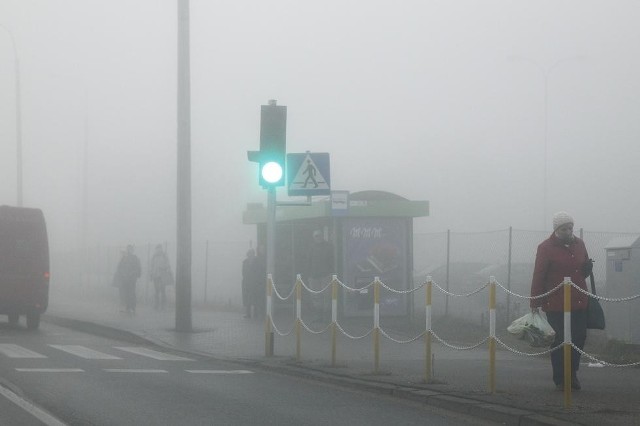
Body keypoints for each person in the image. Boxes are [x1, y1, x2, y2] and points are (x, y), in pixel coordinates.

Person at [530, 211, 592, 391]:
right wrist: (535, 302)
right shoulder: (545, 248)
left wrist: (587, 268)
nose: (568, 231)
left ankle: (572, 372)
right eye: (564, 228)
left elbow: (583, 268)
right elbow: (539, 275)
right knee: (559, 340)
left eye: (570, 227)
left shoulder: (580, 244)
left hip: (579, 301)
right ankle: (560, 377)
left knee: (579, 337)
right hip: (555, 303)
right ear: (556, 229)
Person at [306, 229, 334, 320]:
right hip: (313, 276)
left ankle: (326, 315)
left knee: (327, 295)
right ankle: (318, 315)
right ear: (313, 237)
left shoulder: (329, 247)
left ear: (322, 236)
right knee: (315, 296)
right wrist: (309, 274)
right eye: (316, 236)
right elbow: (308, 261)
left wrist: (331, 272)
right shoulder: (311, 247)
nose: (318, 237)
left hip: (326, 275)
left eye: (319, 235)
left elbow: (332, 260)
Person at [115, 244, 141, 314]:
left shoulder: (135, 258)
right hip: (125, 279)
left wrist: (133, 275)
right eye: (128, 249)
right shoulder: (124, 258)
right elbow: (119, 267)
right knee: (126, 293)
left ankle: (133, 308)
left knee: (132, 293)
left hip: (132, 279)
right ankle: (127, 308)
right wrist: (122, 275)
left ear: (132, 250)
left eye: (130, 249)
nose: (129, 251)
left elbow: (138, 268)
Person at [149, 244, 173, 310]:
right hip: (155, 276)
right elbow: (151, 266)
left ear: (161, 249)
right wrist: (151, 274)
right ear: (156, 249)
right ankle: (156, 305)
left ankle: (163, 305)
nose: (158, 250)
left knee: (163, 290)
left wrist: (167, 270)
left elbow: (168, 264)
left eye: (159, 248)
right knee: (156, 291)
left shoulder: (164, 256)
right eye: (157, 248)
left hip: (162, 276)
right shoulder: (154, 257)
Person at [241, 248, 256, 318]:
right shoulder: (245, 262)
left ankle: (256, 313)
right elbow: (243, 272)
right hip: (246, 282)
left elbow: (258, 271)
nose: (250, 255)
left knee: (255, 298)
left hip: (254, 282)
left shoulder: (256, 262)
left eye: (252, 254)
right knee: (247, 299)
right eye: (249, 254)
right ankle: (248, 314)